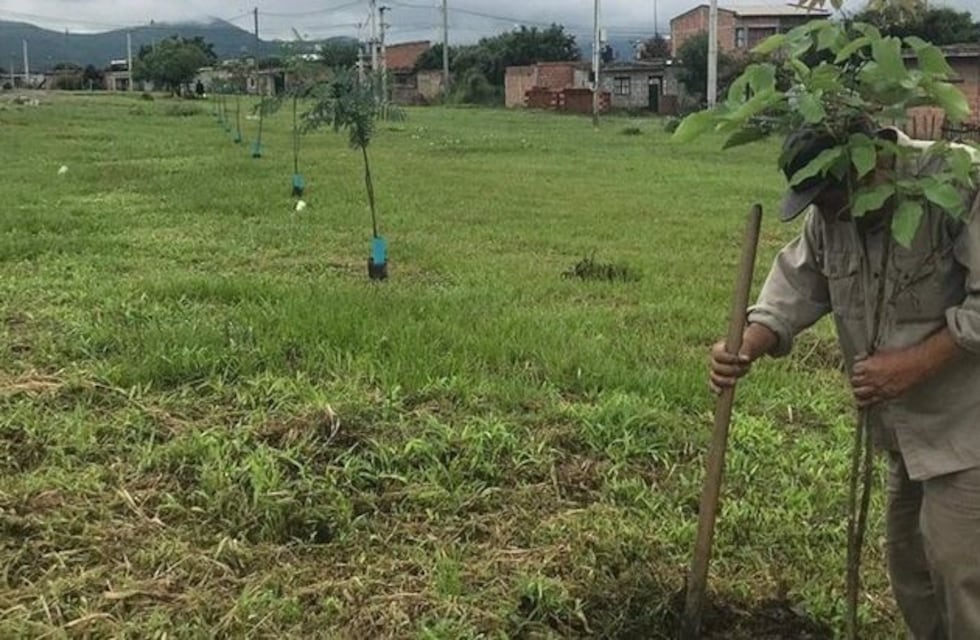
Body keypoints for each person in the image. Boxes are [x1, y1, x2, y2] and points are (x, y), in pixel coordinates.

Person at [708, 123, 980, 639]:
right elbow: (801, 280)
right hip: (907, 435)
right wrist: (746, 343)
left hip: (969, 426)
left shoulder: (958, 182)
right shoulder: (833, 210)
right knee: (913, 569)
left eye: (833, 200)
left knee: (960, 572)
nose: (829, 216)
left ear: (870, 164)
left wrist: (912, 365)